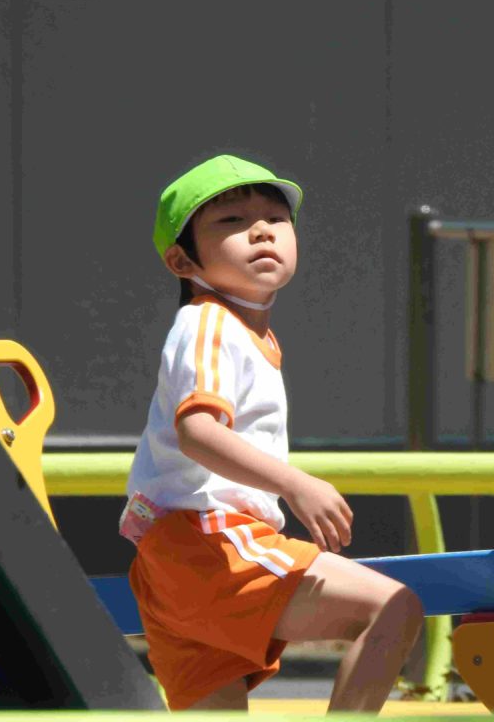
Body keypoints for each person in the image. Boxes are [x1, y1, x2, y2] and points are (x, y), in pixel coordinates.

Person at [119, 154, 423, 711]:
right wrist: (295, 484)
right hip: (207, 541)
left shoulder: (236, 328)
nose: (261, 229)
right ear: (181, 259)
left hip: (176, 558)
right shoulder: (211, 322)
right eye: (231, 221)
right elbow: (197, 431)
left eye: (276, 218)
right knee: (393, 607)